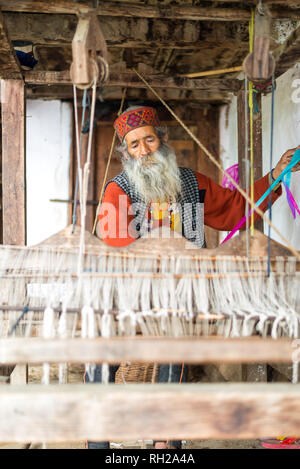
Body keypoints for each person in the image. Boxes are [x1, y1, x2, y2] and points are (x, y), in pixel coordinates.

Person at [90, 105, 300, 450]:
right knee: (103, 353)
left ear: (163, 140)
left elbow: (235, 209)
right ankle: (98, 442)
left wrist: (276, 175)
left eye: (149, 140)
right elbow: (116, 242)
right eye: (134, 145)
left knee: (174, 353)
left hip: (180, 293)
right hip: (129, 290)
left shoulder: (191, 182)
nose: (144, 151)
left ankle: (167, 444)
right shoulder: (118, 189)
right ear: (125, 152)